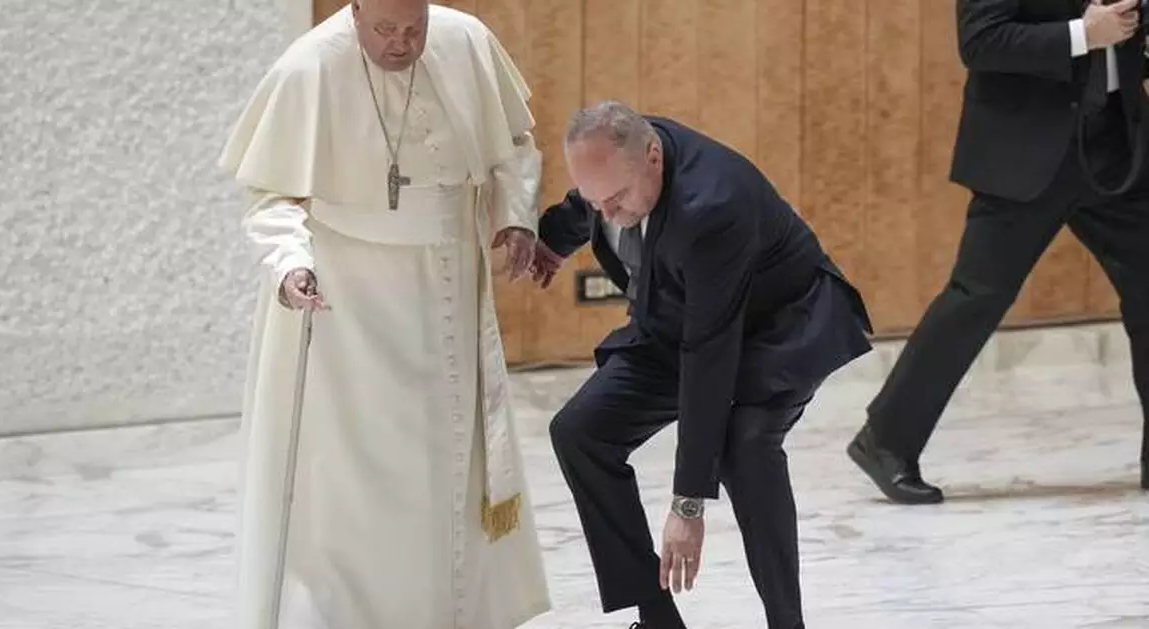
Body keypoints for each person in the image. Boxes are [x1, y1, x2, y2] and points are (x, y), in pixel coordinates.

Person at [216, 2, 551, 628]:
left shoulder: (466, 40)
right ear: (357, 11)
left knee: (450, 468)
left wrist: (513, 218)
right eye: (384, 31)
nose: (400, 45)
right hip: (351, 303)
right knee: (354, 480)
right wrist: (291, 263)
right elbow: (272, 196)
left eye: (413, 30)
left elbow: (511, 149)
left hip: (450, 285)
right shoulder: (308, 67)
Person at [532, 101, 874, 629]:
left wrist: (688, 503)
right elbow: (588, 205)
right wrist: (548, 242)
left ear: (653, 158)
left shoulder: (712, 205)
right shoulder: (617, 168)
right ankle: (656, 619)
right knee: (580, 433)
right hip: (678, 318)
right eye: (597, 201)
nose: (609, 215)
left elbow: (709, 355)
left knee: (745, 446)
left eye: (618, 200)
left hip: (778, 328)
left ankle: (788, 623)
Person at [847, 0, 1149, 506]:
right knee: (976, 297)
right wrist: (1082, 34)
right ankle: (886, 440)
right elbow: (980, 41)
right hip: (1027, 150)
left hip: (1116, 144)